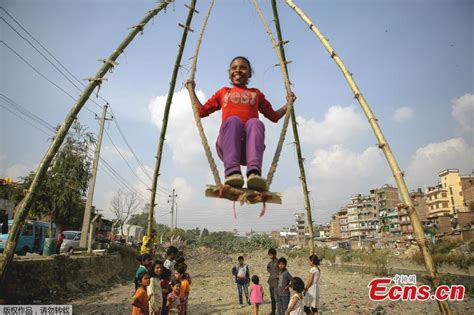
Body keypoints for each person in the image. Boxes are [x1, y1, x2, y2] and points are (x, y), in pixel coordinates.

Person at [186, 56, 296, 191]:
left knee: (255, 122)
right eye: (234, 68)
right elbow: (201, 112)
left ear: (249, 73)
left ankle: (254, 173)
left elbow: (273, 117)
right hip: (228, 148)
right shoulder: (223, 92)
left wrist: (288, 104)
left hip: (249, 151)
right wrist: (191, 91)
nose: (238, 70)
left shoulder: (256, 94)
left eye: (243, 68)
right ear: (229, 73)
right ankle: (233, 173)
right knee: (233, 120)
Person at [267, 248, 279, 315]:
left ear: (275, 254)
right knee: (272, 298)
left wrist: (277, 276)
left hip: (277, 283)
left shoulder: (278, 262)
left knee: (277, 298)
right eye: (269, 255)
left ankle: (278, 311)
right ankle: (273, 312)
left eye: (271, 255)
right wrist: (271, 274)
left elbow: (283, 271)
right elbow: (268, 268)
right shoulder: (270, 263)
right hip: (271, 283)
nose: (270, 256)